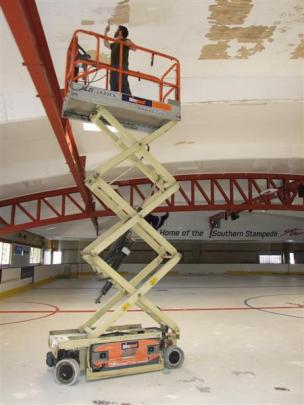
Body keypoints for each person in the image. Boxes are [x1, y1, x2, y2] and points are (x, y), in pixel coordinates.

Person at [95, 212, 169, 303]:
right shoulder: (111, 269)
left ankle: (152, 221)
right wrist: (100, 297)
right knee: (128, 238)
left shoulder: (107, 262)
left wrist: (127, 233)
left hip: (123, 241)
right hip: (124, 245)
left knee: (120, 245)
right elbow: (108, 284)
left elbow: (117, 246)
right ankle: (154, 221)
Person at [104, 23, 136, 95]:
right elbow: (106, 44)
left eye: (117, 30)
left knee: (123, 85)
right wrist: (105, 32)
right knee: (113, 85)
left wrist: (128, 42)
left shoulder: (125, 41)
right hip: (113, 67)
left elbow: (134, 48)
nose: (115, 31)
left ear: (120, 32)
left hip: (121, 66)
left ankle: (129, 99)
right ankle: (115, 101)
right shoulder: (114, 44)